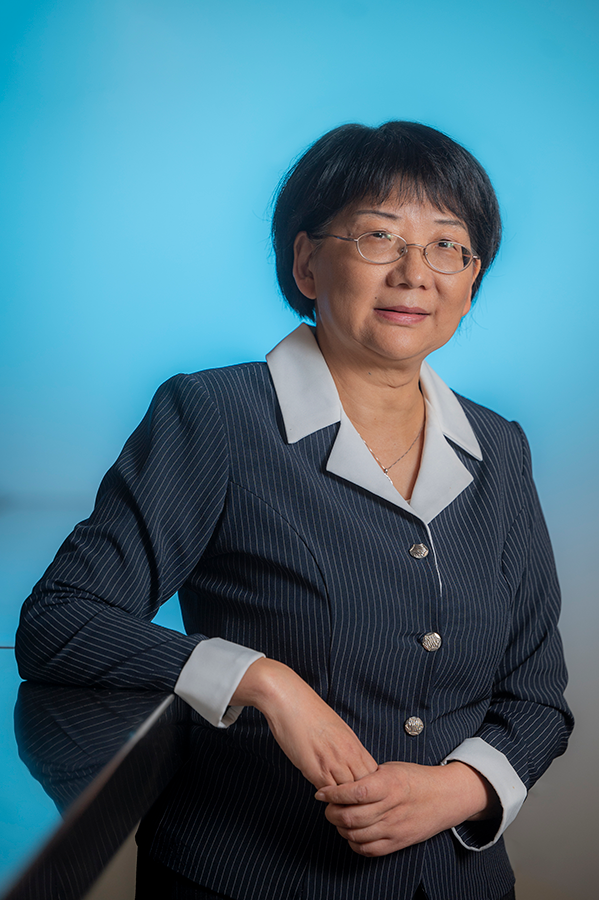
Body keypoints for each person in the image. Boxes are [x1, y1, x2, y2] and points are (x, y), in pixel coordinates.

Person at [16, 121, 573, 900]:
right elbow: (59, 621)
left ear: (471, 280)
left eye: (448, 246)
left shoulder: (499, 448)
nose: (415, 273)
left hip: (458, 884)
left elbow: (537, 695)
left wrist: (458, 790)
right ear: (307, 262)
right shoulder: (215, 415)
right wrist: (262, 679)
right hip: (243, 879)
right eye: (379, 236)